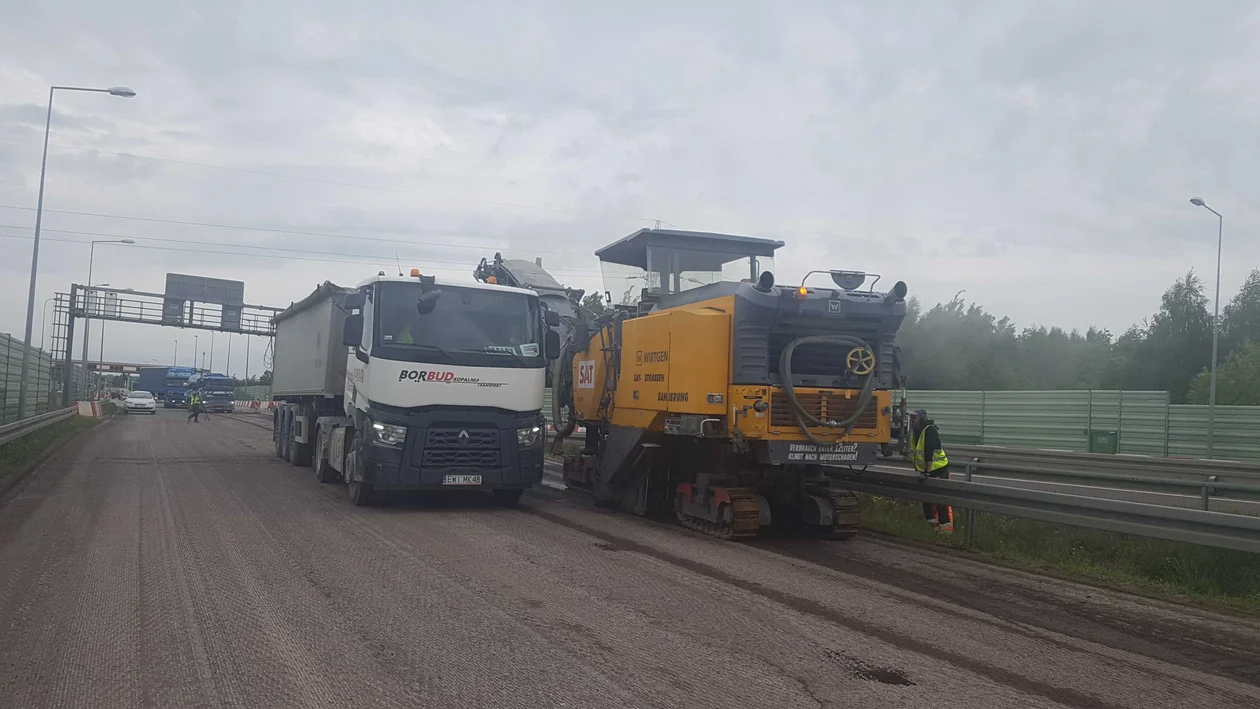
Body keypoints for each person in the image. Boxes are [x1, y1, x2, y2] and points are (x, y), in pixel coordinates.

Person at [910, 408, 952, 533]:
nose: (911, 420)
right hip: (926, 472)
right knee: (927, 502)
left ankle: (946, 530)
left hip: (938, 470)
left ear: (921, 419)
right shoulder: (915, 431)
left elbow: (930, 451)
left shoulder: (930, 430)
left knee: (940, 500)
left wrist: (927, 472)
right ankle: (933, 530)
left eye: (914, 418)